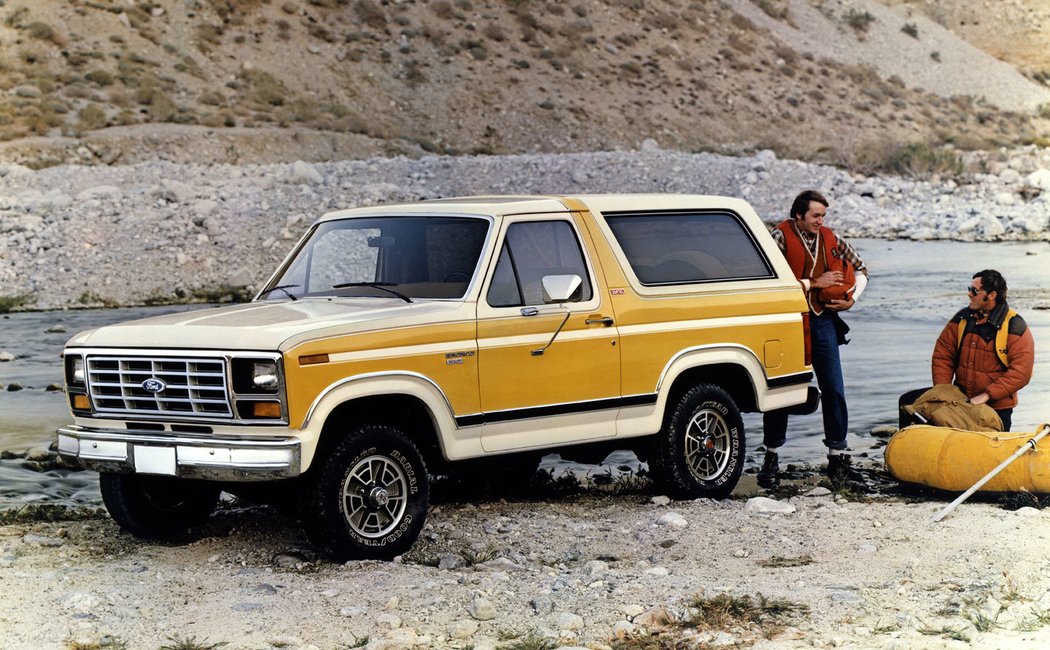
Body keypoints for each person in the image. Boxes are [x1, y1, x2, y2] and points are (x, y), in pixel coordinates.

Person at [758, 190, 869, 488]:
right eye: (815, 216)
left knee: (834, 387)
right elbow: (765, 281)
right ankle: (771, 456)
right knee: (782, 391)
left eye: (823, 216)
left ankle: (837, 457)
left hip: (822, 321)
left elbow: (862, 269)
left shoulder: (832, 238)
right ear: (798, 216)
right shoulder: (778, 237)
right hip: (789, 323)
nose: (821, 221)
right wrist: (813, 283)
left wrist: (851, 300)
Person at [898, 270, 1034, 432]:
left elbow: (1021, 373)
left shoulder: (1014, 326)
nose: (969, 294)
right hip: (960, 400)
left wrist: (986, 395)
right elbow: (943, 356)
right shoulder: (962, 319)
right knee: (907, 402)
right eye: (969, 288)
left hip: (995, 408)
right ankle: (908, 451)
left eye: (974, 291)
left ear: (991, 295)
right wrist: (944, 391)